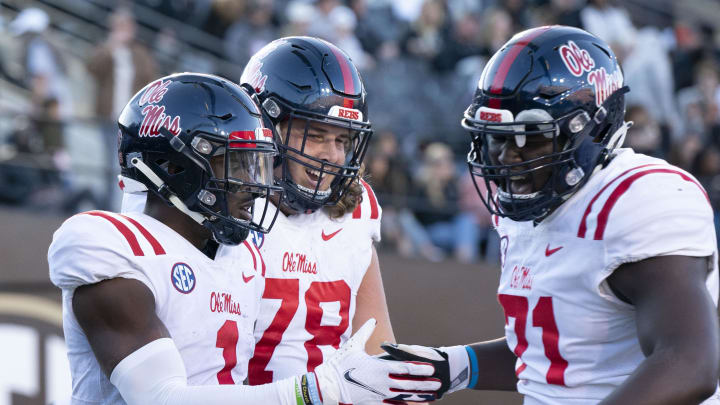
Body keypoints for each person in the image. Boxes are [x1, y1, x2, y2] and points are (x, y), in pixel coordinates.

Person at [48, 73, 438, 405]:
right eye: (236, 165)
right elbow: (162, 398)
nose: (254, 185)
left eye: (257, 165)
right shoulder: (109, 245)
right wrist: (313, 390)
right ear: (174, 166)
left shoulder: (242, 256)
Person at [382, 26, 720, 404]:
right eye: (499, 138)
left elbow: (689, 362)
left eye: (532, 137)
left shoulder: (638, 198)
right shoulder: (532, 205)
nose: (509, 157)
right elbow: (557, 352)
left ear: (593, 128)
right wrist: (449, 366)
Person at [235, 36, 402, 388]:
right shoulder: (228, 204)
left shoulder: (357, 209)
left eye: (342, 140)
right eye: (316, 135)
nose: (333, 155)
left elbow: (376, 346)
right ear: (267, 129)